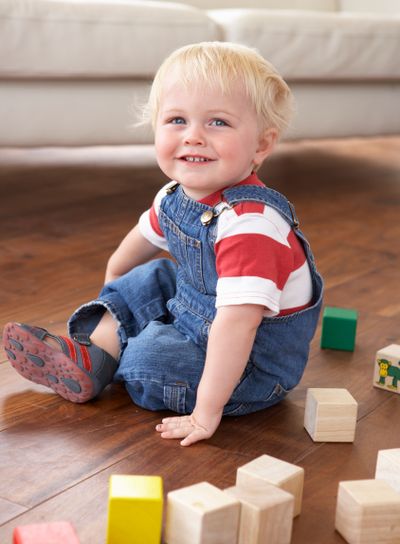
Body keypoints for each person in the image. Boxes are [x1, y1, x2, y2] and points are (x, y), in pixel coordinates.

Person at [3, 42, 323, 446]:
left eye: (218, 123)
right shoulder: (175, 195)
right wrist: (117, 298)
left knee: (147, 356)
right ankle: (94, 354)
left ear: (261, 145)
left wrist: (205, 415)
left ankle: (118, 356)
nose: (194, 137)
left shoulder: (251, 226)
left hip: (250, 368)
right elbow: (133, 249)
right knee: (150, 273)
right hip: (202, 313)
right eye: (176, 120)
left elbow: (238, 326)